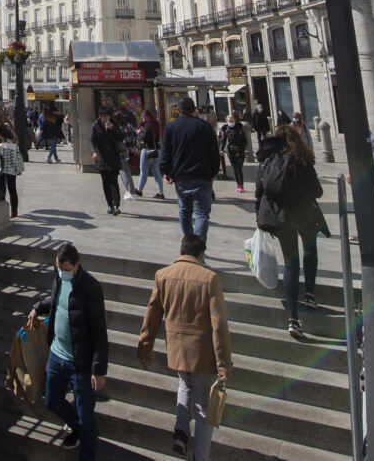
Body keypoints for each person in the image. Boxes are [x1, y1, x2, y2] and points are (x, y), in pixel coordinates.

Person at [137, 234, 233, 461]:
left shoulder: (163, 275)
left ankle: (181, 431)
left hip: (177, 350)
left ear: (181, 251)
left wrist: (145, 347)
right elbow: (219, 326)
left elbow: (151, 315)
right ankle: (200, 456)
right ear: (201, 254)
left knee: (185, 384)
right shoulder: (210, 279)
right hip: (203, 354)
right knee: (202, 408)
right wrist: (223, 364)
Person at [28, 243, 109, 459]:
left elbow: (100, 332)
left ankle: (86, 451)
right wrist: (38, 307)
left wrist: (99, 369)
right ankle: (77, 429)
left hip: (79, 363)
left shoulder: (91, 288)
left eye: (65, 269)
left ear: (77, 265)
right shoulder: (58, 277)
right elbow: (56, 302)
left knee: (86, 416)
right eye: (58, 268)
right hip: (56, 355)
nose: (61, 273)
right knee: (52, 400)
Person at [255, 123, 327, 339]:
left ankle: (293, 318)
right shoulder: (301, 160)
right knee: (310, 249)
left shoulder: (268, 161)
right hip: (303, 214)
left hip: (281, 218)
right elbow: (318, 191)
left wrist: (259, 216)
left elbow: (260, 193)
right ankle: (310, 293)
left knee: (290, 263)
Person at [161, 98, 220, 240]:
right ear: (194, 109)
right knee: (201, 214)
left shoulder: (171, 127)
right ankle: (198, 248)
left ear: (178, 111)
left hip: (181, 176)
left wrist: (166, 171)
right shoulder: (205, 127)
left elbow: (166, 152)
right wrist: (213, 173)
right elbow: (214, 154)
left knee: (184, 211)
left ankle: (188, 243)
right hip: (202, 176)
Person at [0, 107, 23, 217]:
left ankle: (14, 211)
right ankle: (3, 211)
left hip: (8, 161)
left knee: (11, 187)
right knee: (1, 186)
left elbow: (15, 141)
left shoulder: (6, 128)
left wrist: (2, 138)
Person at [91, 110, 123, 215]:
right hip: (102, 158)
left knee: (114, 181)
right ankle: (109, 204)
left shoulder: (113, 124)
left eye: (106, 116)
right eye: (102, 116)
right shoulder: (95, 126)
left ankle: (116, 205)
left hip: (113, 157)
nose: (104, 118)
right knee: (105, 182)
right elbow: (93, 140)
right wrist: (94, 152)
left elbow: (120, 137)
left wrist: (112, 129)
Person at [135, 109, 165, 199]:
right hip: (157, 151)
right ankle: (160, 192)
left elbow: (144, 138)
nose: (142, 118)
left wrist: (139, 133)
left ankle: (139, 190)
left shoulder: (148, 125)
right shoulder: (156, 123)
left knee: (143, 171)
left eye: (143, 117)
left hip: (147, 151)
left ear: (145, 117)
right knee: (156, 172)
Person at [220, 111, 249, 193]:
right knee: (235, 169)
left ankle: (241, 185)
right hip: (230, 151)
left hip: (239, 150)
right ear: (226, 121)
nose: (230, 122)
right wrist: (221, 149)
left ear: (235, 120)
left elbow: (244, 140)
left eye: (232, 120)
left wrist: (244, 149)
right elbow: (223, 140)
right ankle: (238, 185)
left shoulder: (239, 127)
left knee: (239, 168)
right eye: (229, 120)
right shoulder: (226, 129)